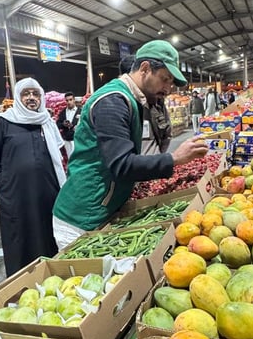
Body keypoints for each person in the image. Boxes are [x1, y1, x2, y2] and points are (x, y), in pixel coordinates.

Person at [53, 40, 209, 248]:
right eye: (165, 79)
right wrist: (175, 158)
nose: (168, 88)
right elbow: (122, 164)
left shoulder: (133, 99)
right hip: (83, 215)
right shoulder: (113, 101)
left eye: (170, 83)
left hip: (105, 207)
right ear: (144, 68)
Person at [0, 78, 66, 275]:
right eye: (26, 94)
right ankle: (23, 280)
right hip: (17, 197)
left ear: (41, 98)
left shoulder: (46, 122)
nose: (31, 98)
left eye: (35, 94)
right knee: (20, 239)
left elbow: (59, 156)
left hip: (47, 195)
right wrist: (5, 185)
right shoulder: (4, 122)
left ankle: (52, 274)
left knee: (49, 236)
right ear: (18, 97)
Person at [56, 92, 81, 158]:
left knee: (77, 158)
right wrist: (63, 124)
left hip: (77, 140)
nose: (69, 102)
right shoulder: (63, 112)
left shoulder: (80, 111)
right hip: (66, 140)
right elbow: (57, 125)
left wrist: (76, 127)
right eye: (67, 100)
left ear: (74, 100)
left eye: (70, 100)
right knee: (69, 158)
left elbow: (84, 125)